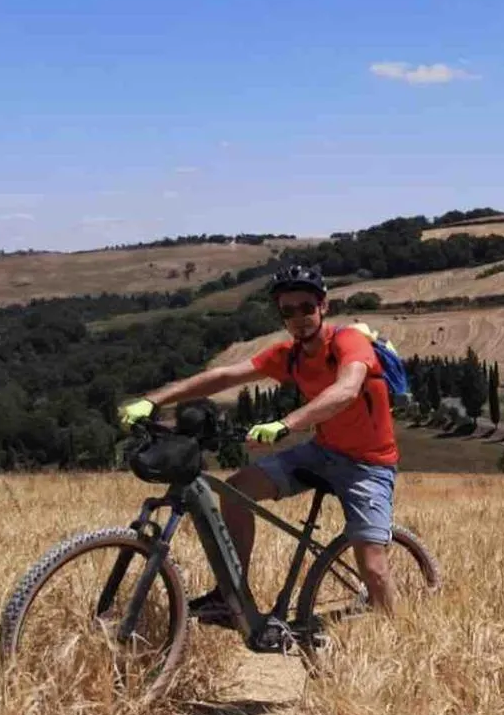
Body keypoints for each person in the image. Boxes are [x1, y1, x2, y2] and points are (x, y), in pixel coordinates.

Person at [117, 263, 401, 620]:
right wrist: (154, 400)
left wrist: (285, 424)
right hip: (323, 452)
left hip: (368, 466)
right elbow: (224, 376)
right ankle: (231, 596)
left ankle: (396, 628)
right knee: (236, 491)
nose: (298, 318)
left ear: (323, 306)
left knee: (373, 567)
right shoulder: (291, 356)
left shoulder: (348, 342)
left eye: (306, 307)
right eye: (288, 311)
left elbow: (345, 390)